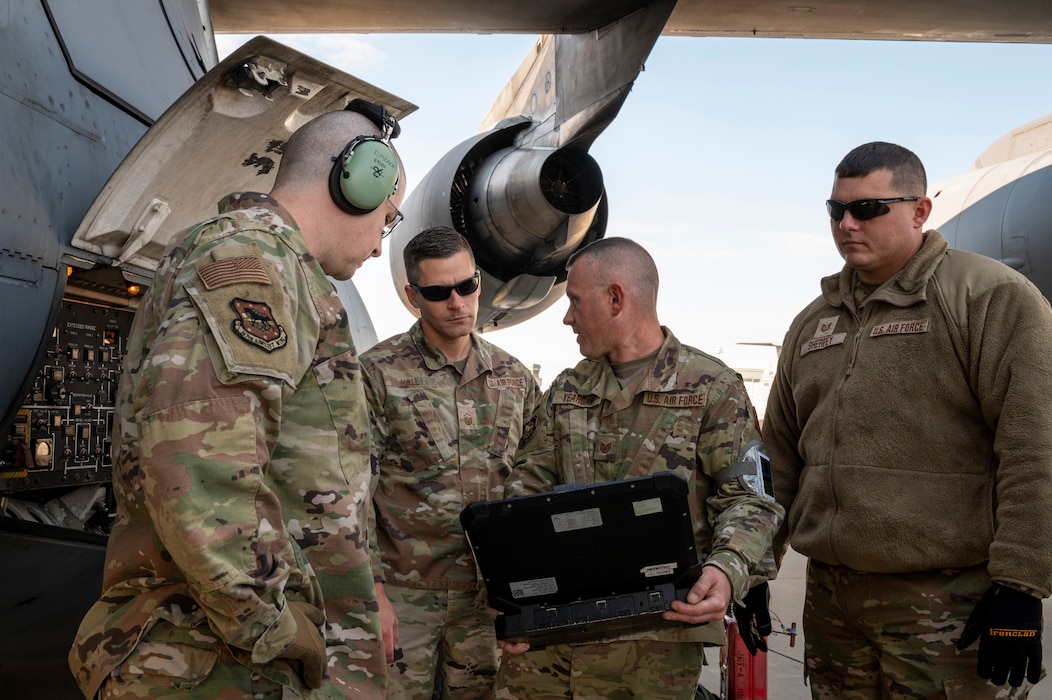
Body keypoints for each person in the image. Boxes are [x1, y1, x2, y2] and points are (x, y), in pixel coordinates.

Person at [68, 100, 406, 699]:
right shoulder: (253, 266)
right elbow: (196, 466)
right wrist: (275, 630)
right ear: (356, 184)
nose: (382, 247)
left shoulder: (265, 265)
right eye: (387, 218)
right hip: (223, 663)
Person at [763, 141, 1052, 698]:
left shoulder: (989, 298)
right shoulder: (813, 322)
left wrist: (1020, 586)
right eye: (835, 209)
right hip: (831, 605)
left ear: (920, 210)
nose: (847, 224)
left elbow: (1034, 448)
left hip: (943, 606)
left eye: (868, 208)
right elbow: (778, 459)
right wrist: (754, 569)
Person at [497, 236, 784, 699]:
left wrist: (728, 569)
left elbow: (750, 500)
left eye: (573, 301)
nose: (566, 317)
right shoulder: (568, 389)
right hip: (555, 641)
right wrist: (519, 595)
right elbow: (526, 491)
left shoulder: (711, 388)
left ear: (616, 298)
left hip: (656, 643)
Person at [360, 225, 540, 699]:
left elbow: (538, 484)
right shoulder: (376, 375)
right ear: (412, 295)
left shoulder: (515, 379)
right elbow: (350, 493)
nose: (458, 303)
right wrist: (372, 595)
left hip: (488, 603)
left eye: (467, 286)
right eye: (439, 293)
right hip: (405, 597)